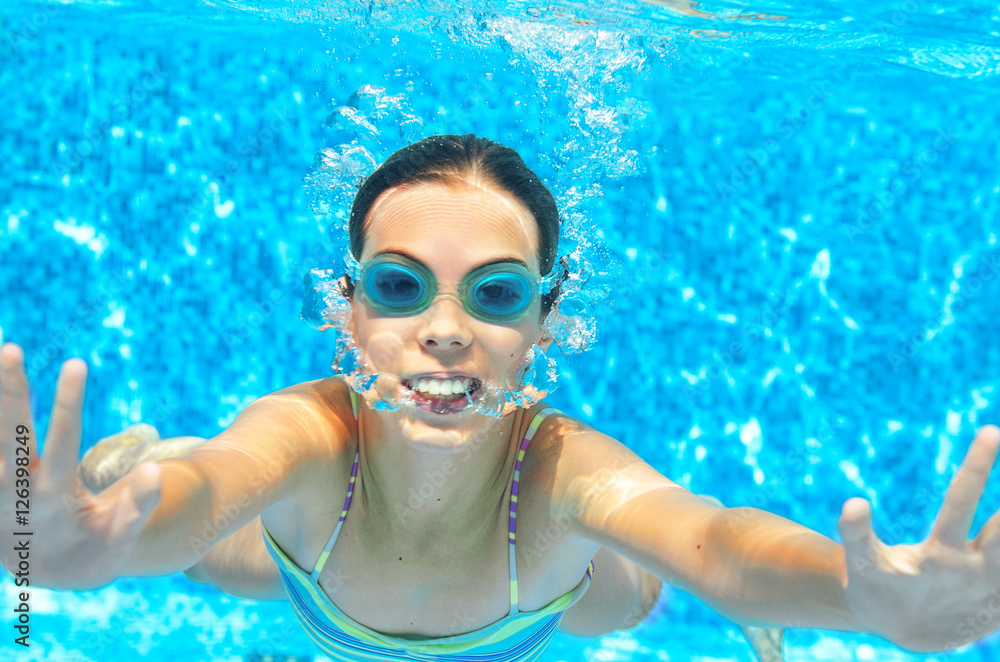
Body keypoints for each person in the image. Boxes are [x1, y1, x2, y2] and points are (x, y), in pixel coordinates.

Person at [2, 134, 999, 662]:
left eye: (495, 293)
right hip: (312, 576)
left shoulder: (561, 467)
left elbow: (718, 539)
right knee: (199, 524)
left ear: (543, 321)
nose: (444, 327)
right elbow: (217, 485)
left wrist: (853, 595)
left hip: (542, 604)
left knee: (641, 584)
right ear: (344, 309)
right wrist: (87, 546)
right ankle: (128, 463)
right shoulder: (310, 431)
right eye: (397, 285)